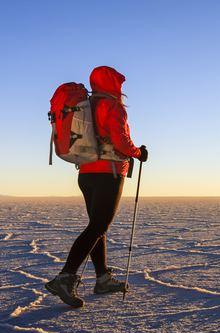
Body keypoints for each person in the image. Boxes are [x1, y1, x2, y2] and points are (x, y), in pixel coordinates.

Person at [45, 66, 148, 308]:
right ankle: (66, 277)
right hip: (108, 173)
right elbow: (121, 142)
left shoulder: (88, 105)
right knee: (98, 226)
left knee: (97, 227)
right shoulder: (112, 106)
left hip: (87, 173)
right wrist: (139, 153)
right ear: (114, 84)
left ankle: (102, 279)